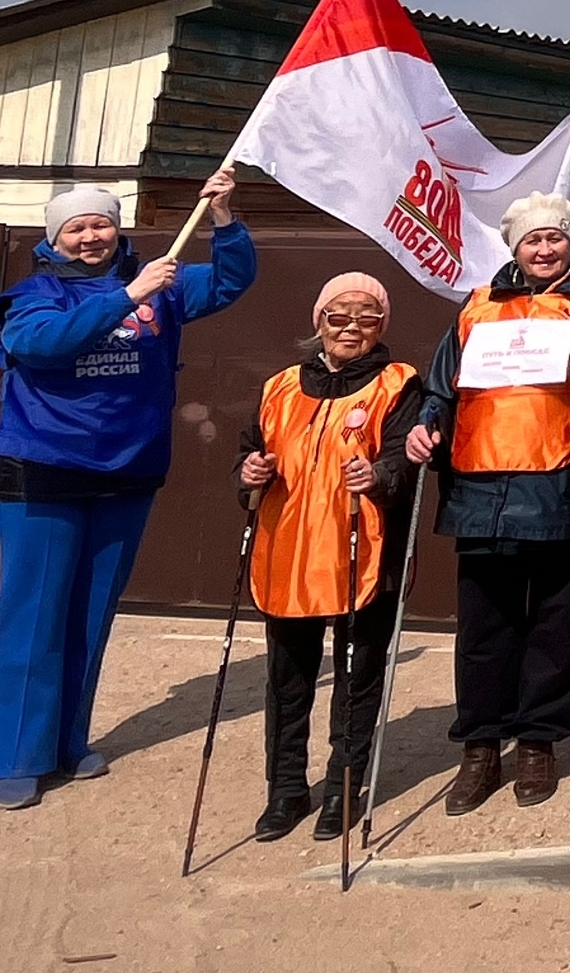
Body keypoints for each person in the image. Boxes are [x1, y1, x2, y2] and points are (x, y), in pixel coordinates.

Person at [0, 172, 251, 810]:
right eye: (77, 228)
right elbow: (42, 344)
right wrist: (128, 294)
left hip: (126, 470)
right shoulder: (32, 295)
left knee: (91, 616)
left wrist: (226, 220)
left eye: (101, 223)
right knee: (33, 615)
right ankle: (12, 755)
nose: (91, 236)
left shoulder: (162, 279)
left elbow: (231, 281)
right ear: (56, 238)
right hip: (44, 471)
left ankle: (66, 741)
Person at [406, 193, 570, 815]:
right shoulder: (479, 306)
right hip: (482, 490)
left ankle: (539, 740)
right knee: (486, 629)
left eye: (555, 239)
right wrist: (427, 421)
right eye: (532, 241)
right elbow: (442, 385)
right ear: (514, 248)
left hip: (568, 486)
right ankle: (481, 747)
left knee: (559, 624)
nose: (544, 250)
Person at [236, 272, 423, 841]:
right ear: (318, 322)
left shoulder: (398, 383)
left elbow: (403, 459)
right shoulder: (280, 386)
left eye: (365, 316)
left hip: (361, 555)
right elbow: (251, 455)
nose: (350, 327)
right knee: (287, 681)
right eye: (338, 316)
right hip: (288, 554)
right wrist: (248, 474)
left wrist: (381, 474)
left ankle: (343, 787)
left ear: (381, 325)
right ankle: (285, 789)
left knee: (354, 677)